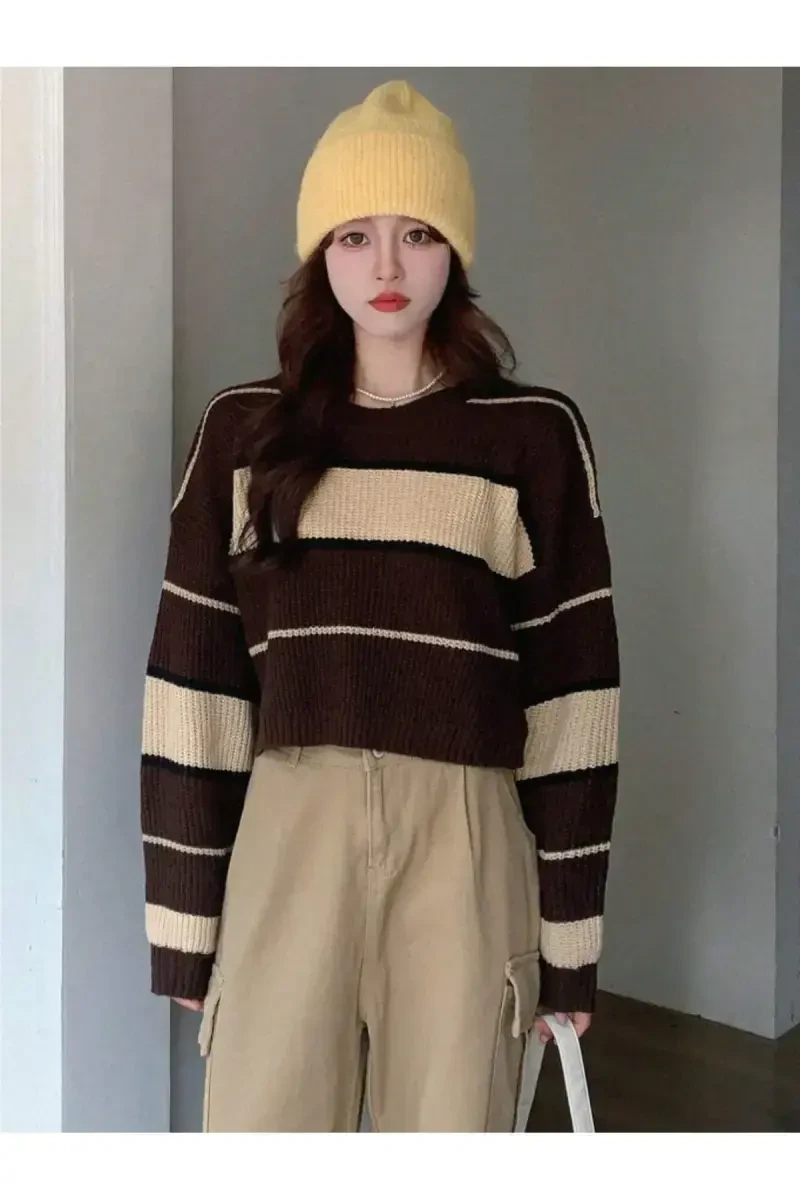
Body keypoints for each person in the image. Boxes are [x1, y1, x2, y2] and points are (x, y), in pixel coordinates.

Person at [140, 80, 620, 1133]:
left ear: (456, 251)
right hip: (288, 833)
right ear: (320, 255)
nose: (388, 268)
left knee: (447, 1132)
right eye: (355, 236)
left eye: (418, 233)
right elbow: (194, 686)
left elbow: (574, 700)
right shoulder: (243, 433)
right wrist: (185, 919)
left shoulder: (531, 435)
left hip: (466, 840)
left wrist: (569, 948)